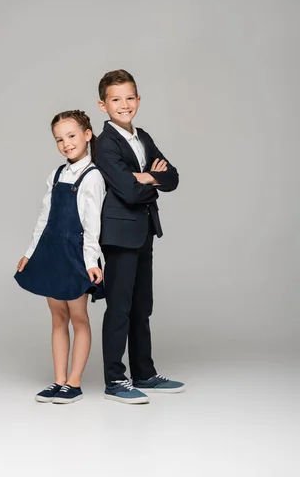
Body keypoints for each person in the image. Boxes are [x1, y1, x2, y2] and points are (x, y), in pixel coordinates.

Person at [96, 70, 185, 404]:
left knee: (141, 306)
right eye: (116, 99)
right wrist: (150, 179)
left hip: (144, 231)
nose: (124, 105)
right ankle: (115, 380)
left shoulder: (142, 136)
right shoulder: (105, 144)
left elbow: (172, 177)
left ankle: (144, 374)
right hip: (119, 234)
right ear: (103, 105)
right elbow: (130, 193)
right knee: (119, 307)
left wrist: (145, 176)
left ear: (138, 100)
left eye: (129, 98)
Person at [14, 110, 105, 404]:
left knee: (78, 317)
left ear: (87, 135)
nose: (66, 144)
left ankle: (74, 382)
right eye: (59, 140)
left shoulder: (93, 177)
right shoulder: (55, 175)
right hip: (51, 251)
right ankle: (59, 380)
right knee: (57, 317)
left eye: (72, 136)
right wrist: (30, 252)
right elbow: (44, 217)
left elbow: (93, 226)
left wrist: (91, 261)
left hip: (76, 254)